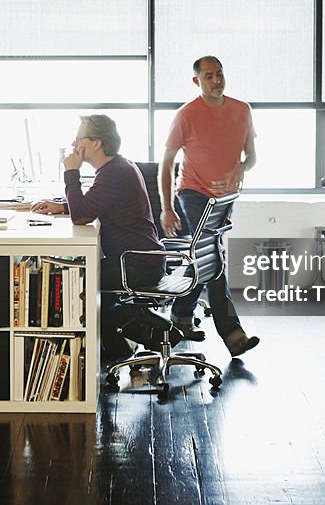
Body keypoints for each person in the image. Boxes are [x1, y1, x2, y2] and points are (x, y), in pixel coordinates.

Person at [31, 115, 167, 362]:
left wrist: (71, 172)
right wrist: (62, 206)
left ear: (96, 143)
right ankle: (117, 349)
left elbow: (82, 215)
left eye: (79, 138)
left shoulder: (114, 173)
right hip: (139, 259)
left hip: (137, 264)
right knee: (87, 281)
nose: (75, 145)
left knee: (76, 280)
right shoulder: (116, 167)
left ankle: (135, 342)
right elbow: (93, 203)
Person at [159, 56, 259, 357]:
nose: (217, 81)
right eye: (209, 76)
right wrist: (167, 207)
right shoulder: (186, 115)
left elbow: (251, 157)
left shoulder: (242, 110)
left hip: (226, 198)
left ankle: (181, 313)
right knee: (212, 256)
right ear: (197, 81)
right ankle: (232, 333)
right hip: (193, 194)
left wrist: (242, 167)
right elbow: (166, 164)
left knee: (204, 258)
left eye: (219, 74)